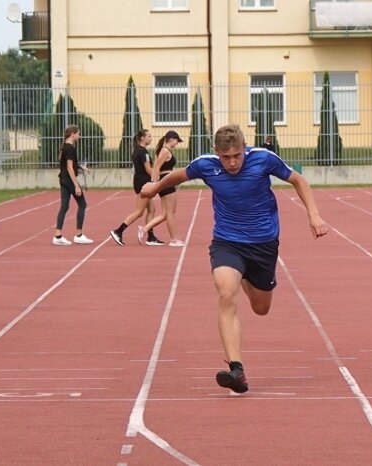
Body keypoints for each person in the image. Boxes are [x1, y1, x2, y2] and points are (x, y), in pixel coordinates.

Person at [139, 124, 329, 393]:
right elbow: (178, 176)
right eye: (226, 157)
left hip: (263, 244)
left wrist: (314, 215)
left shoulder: (263, 159)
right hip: (227, 242)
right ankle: (236, 370)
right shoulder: (206, 165)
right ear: (217, 152)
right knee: (226, 294)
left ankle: (245, 277)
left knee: (261, 308)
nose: (232, 162)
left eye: (237, 155)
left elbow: (298, 180)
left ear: (245, 149)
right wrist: (154, 187)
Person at [109, 129, 164, 246]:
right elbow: (148, 169)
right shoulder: (143, 152)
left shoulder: (138, 150)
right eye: (149, 136)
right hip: (143, 183)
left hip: (141, 181)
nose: (151, 138)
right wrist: (158, 181)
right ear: (142, 138)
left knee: (151, 210)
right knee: (139, 212)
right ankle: (118, 231)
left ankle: (150, 236)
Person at [139, 130, 186, 247]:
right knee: (170, 212)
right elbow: (156, 168)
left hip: (168, 181)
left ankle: (144, 229)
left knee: (166, 214)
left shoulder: (166, 150)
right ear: (171, 139)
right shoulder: (165, 151)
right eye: (176, 141)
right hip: (166, 182)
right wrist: (154, 185)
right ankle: (174, 239)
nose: (177, 144)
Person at [53, 125, 93, 246]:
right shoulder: (70, 148)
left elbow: (67, 162)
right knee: (82, 204)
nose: (79, 136)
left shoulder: (64, 146)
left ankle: (58, 236)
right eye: (78, 134)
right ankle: (79, 235)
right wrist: (76, 185)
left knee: (64, 206)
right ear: (72, 134)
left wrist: (81, 167)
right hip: (69, 180)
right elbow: (69, 167)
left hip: (63, 179)